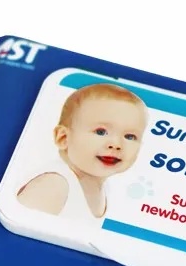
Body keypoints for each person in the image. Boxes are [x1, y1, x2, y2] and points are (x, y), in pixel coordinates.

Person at [18, 83, 147, 221]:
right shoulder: (54, 185)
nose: (116, 144)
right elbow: (20, 223)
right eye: (101, 132)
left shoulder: (105, 189)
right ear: (63, 138)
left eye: (129, 136)